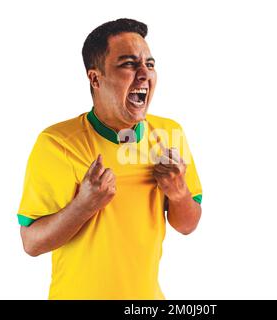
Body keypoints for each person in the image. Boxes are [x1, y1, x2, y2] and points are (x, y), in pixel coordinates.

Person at [17, 18, 202, 299]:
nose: (144, 74)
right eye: (129, 64)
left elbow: (188, 225)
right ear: (95, 78)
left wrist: (179, 193)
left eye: (149, 64)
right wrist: (83, 206)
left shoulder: (169, 134)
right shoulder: (57, 143)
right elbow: (31, 243)